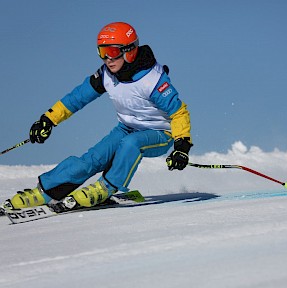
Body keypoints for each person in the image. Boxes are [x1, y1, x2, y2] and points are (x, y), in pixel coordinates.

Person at [4, 21, 192, 211]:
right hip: (125, 129)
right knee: (90, 160)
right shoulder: (106, 75)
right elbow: (77, 98)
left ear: (129, 51)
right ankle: (47, 191)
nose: (107, 59)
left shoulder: (153, 80)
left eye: (111, 52)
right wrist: (48, 120)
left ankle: (107, 186)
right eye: (102, 52)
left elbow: (179, 113)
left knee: (132, 144)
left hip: (160, 133)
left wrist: (181, 146)